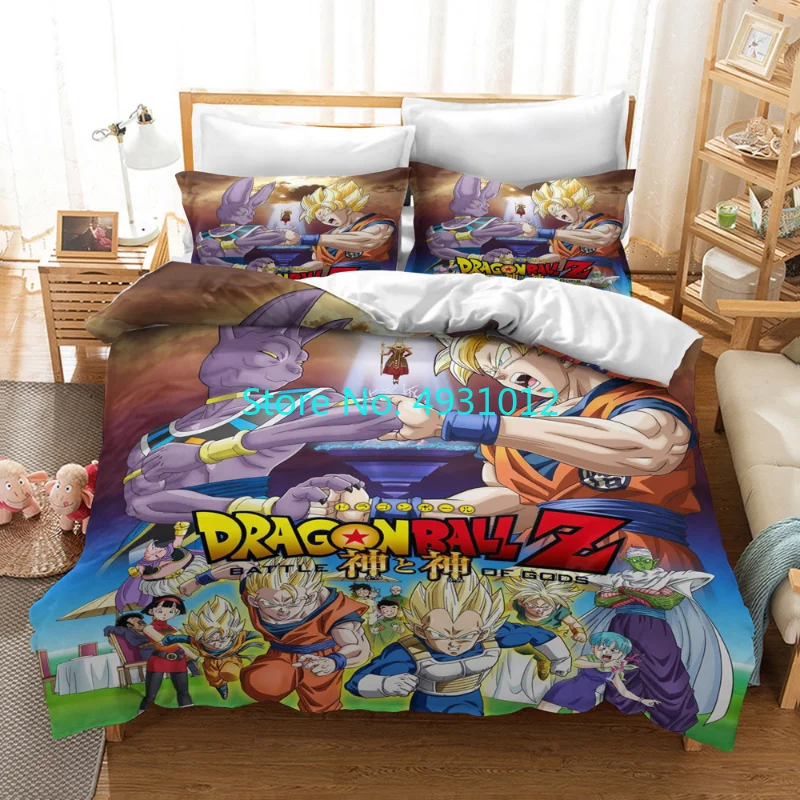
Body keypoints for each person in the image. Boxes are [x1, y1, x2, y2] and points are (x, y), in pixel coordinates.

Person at [346, 572, 571, 716]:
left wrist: (561, 657)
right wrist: (385, 684)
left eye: (465, 636)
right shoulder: (409, 650)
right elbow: (356, 682)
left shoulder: (491, 636)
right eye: (440, 635)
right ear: (420, 630)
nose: (453, 644)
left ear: (483, 631)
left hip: (471, 702)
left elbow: (535, 634)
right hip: (427, 705)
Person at [537, 631, 657, 714]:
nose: (607, 652)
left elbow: (623, 691)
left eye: (614, 650)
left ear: (622, 655)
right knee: (543, 717)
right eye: (602, 648)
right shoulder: (588, 658)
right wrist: (603, 665)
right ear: (593, 649)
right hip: (565, 689)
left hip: (586, 698)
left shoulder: (613, 672)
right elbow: (577, 663)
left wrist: (641, 700)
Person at [138, 596, 195, 714]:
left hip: (178, 660)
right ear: (151, 611)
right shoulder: (149, 628)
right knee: (151, 694)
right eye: (160, 610)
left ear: (176, 613)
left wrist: (197, 658)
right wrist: (186, 638)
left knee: (184, 692)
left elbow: (181, 646)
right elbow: (164, 641)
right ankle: (141, 717)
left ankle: (189, 716)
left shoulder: (173, 628)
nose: (165, 614)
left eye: (171, 611)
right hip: (159, 660)